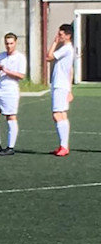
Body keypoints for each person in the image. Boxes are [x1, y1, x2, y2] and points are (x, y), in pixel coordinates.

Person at [0, 33, 26, 156]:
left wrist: (7, 71)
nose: (9, 46)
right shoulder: (1, 55)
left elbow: (21, 75)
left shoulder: (20, 57)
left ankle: (10, 147)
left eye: (11, 43)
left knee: (10, 118)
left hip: (10, 91)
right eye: (7, 43)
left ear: (15, 43)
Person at [47, 23, 75, 157]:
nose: (59, 36)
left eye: (61, 34)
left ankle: (64, 146)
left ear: (68, 35)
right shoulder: (68, 49)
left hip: (60, 85)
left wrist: (54, 42)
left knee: (57, 115)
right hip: (62, 85)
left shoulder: (66, 49)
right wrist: (69, 90)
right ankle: (63, 145)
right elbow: (71, 71)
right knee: (62, 115)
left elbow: (48, 57)